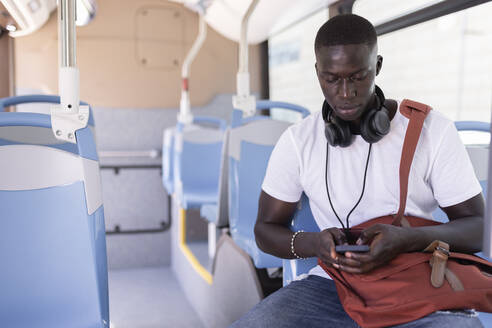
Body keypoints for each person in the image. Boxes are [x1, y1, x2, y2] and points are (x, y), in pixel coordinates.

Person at [230, 14, 484, 328]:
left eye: (358, 76)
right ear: (317, 72)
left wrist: (406, 240)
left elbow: (476, 229)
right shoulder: (298, 141)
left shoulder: (432, 130)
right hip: (332, 285)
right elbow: (265, 229)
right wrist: (316, 244)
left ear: (376, 66)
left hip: (415, 281)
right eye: (331, 78)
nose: (345, 92)